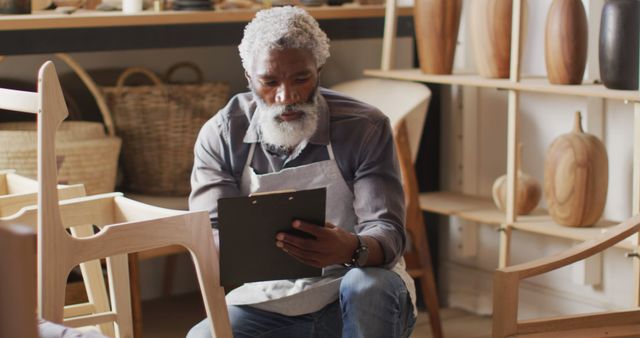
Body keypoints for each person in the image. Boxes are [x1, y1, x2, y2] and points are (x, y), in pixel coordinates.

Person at [187, 6, 416, 338]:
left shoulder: (364, 127)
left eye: (301, 78)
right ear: (250, 78)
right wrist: (240, 250)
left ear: (319, 70)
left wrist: (351, 248)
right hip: (270, 300)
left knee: (366, 286)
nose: (287, 96)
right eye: (269, 82)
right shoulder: (223, 134)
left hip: (353, 287)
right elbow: (208, 233)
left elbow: (388, 232)